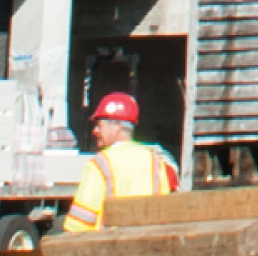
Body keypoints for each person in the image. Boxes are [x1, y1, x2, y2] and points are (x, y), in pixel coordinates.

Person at [56, 93, 183, 234]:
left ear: (117, 126)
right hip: (147, 247)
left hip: (109, 248)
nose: (95, 131)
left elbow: (79, 224)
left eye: (99, 125)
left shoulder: (99, 164)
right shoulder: (156, 162)